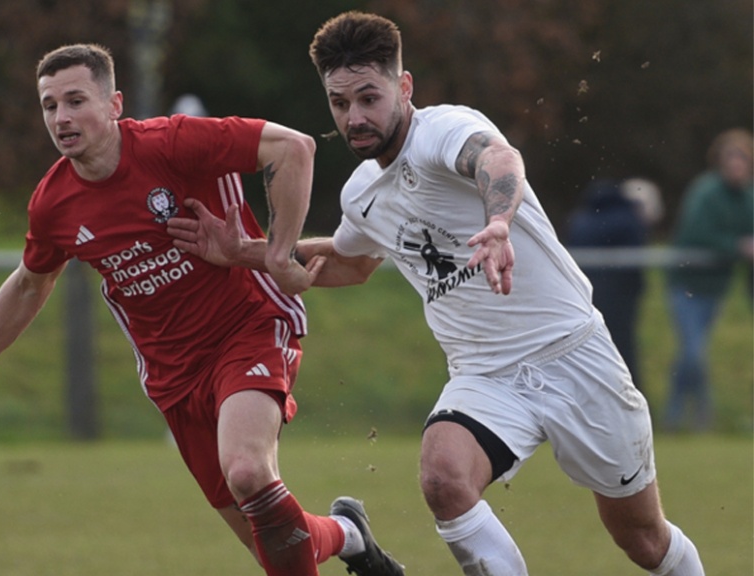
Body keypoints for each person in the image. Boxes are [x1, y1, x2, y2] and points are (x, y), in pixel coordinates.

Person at [168, 11, 704, 575]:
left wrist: (498, 223)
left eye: (369, 98)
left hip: (572, 354)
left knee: (642, 540)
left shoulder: (442, 130)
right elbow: (347, 263)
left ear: (404, 87)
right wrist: (244, 252)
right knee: (443, 477)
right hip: (485, 375)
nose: (355, 117)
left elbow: (498, 160)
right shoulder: (362, 195)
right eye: (340, 103)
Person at [0, 44, 404, 576]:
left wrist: (277, 252)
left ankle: (345, 534)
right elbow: (30, 284)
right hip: (172, 375)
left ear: (115, 103)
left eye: (75, 101)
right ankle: (348, 535)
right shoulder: (54, 202)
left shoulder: (174, 143)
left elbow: (294, 148)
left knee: (248, 470)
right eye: (50, 106)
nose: (61, 118)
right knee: (271, 542)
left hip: (249, 326)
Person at [664, 128, 754, 432]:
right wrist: (737, 246)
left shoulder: (747, 197)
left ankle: (674, 417)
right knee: (693, 353)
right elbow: (695, 234)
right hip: (687, 285)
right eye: (732, 157)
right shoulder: (705, 192)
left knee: (691, 353)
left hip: (716, 289)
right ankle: (701, 414)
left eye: (742, 158)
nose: (737, 165)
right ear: (721, 160)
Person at [566, 179, 647, 390]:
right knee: (622, 348)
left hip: (584, 297)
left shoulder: (580, 220)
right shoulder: (628, 219)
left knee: (587, 349)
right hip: (621, 297)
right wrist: (637, 291)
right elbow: (636, 262)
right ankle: (628, 392)